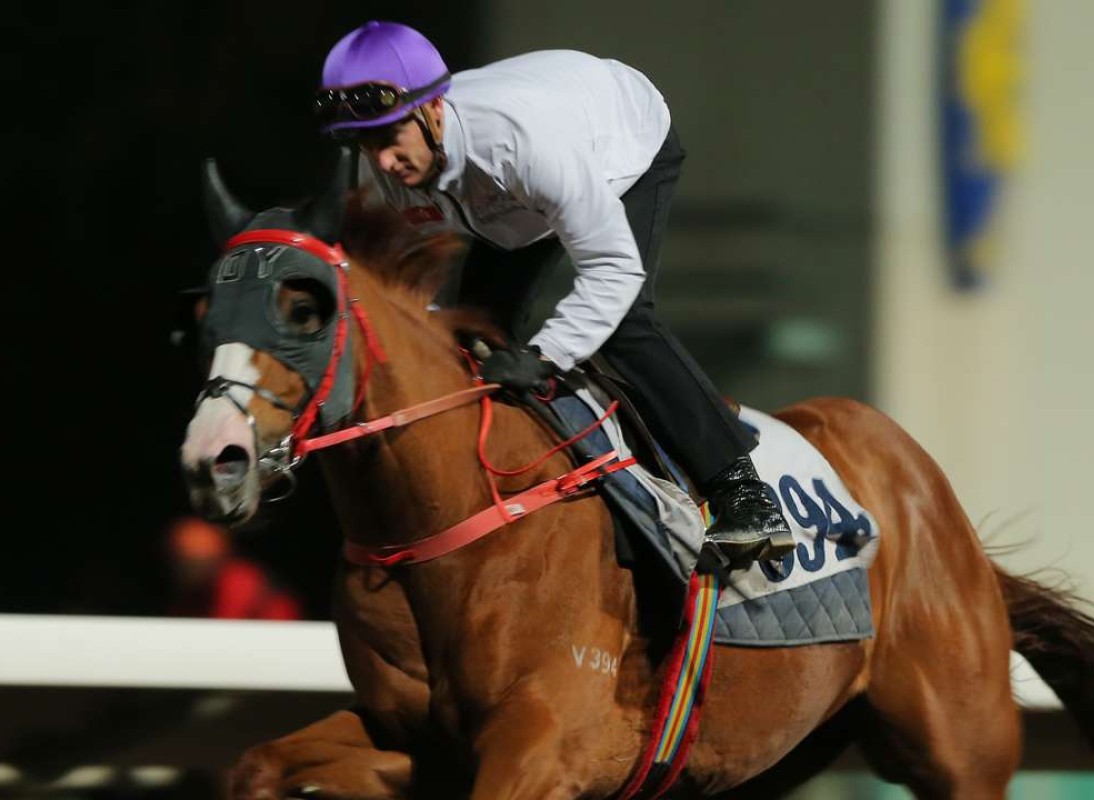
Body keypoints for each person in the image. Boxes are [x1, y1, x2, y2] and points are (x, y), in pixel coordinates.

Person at [311, 21, 792, 569]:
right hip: (508, 205)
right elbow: (400, 303)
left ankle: (742, 491)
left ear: (434, 109)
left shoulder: (521, 142)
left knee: (623, 324)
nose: (382, 162)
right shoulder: (383, 174)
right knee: (469, 340)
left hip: (618, 139)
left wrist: (545, 357)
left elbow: (613, 269)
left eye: (390, 136)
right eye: (364, 142)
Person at [164, 516, 304, 620]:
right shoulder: (190, 595)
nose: (190, 570)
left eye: (198, 563)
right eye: (183, 563)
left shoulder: (242, 583)